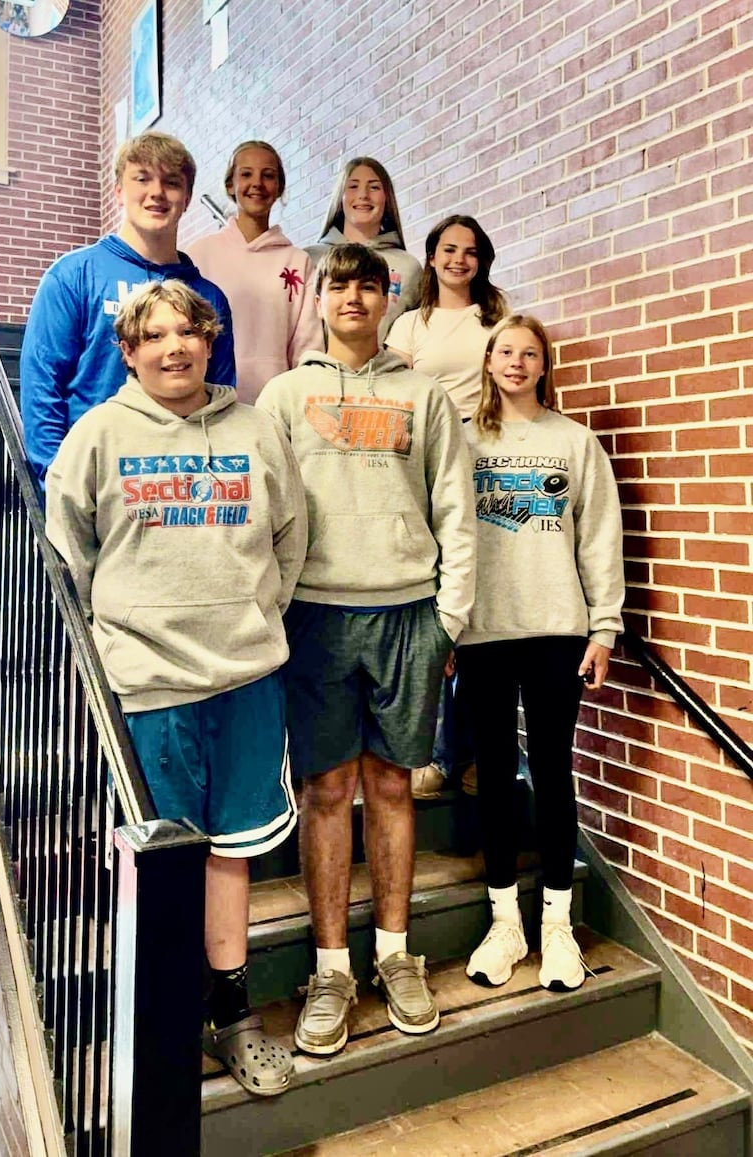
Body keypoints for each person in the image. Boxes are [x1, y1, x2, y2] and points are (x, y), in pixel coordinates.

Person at [44, 280, 307, 1097]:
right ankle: (156, 1019)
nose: (172, 347)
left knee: (230, 855)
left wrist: (254, 612)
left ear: (209, 341)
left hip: (245, 677)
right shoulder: (97, 434)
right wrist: (118, 639)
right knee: (159, 866)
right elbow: (65, 560)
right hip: (148, 683)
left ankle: (230, 1012)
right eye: (153, 336)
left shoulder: (255, 428)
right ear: (128, 351)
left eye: (187, 332)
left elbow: (292, 533)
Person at [257, 243, 476, 1057]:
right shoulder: (284, 394)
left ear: (390, 297)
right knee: (324, 791)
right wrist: (275, 613)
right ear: (316, 297)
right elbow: (269, 512)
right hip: (315, 617)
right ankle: (330, 969)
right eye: (337, 283)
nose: (352, 296)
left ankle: (394, 953)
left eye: (368, 283)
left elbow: (456, 504)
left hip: (407, 614)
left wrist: (450, 618)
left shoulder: (422, 395)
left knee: (390, 785)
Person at [456, 315, 624, 992]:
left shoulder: (575, 443)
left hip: (559, 629)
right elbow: (448, 539)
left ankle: (558, 923)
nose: (517, 362)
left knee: (553, 772)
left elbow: (600, 538)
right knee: (493, 777)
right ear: (489, 361)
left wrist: (605, 628)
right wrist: (447, 629)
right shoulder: (462, 442)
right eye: (505, 351)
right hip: (483, 633)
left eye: (530, 353)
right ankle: (505, 922)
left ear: (544, 364)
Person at [20, 131, 235, 482]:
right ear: (119, 190)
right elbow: (42, 387)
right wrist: (57, 481)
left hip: (182, 487)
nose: (156, 192)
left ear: (188, 197)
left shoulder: (209, 298)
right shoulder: (73, 276)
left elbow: (221, 397)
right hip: (93, 478)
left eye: (171, 181)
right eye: (142, 178)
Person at [388, 214, 508, 799]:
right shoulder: (412, 323)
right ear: (431, 257)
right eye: (448, 249)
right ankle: (437, 754)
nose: (460, 259)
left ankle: (474, 755)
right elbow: (395, 391)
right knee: (438, 610)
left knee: (480, 613)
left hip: (484, 454)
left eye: (471, 251)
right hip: (426, 457)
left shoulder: (497, 319)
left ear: (482, 260)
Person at [187, 140, 323, 404]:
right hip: (208, 407)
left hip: (275, 409)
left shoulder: (297, 261)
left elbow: (308, 347)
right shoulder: (198, 256)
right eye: (246, 174)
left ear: (279, 187)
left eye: (268, 175)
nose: (257, 183)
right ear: (231, 185)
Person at [305, 157, 421, 340]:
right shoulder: (309, 259)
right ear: (340, 197)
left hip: (384, 368)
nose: (363, 195)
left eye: (374, 187)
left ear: (387, 198)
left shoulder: (408, 267)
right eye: (353, 186)